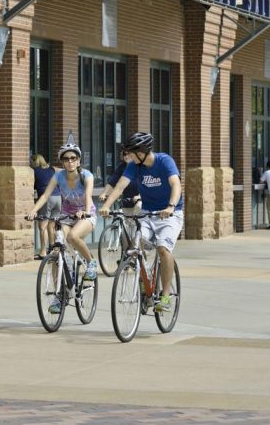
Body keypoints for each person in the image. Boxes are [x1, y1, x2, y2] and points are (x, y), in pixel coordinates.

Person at [98, 131, 183, 313]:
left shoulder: (164, 161)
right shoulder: (134, 166)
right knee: (135, 246)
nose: (127, 156)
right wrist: (106, 205)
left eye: (130, 152)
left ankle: (165, 295)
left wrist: (170, 206)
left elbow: (176, 184)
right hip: (147, 213)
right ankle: (145, 282)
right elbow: (120, 186)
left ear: (142, 152)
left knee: (162, 248)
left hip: (170, 214)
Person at [30, 134, 99, 312]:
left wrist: (84, 211)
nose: (69, 162)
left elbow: (89, 197)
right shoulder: (58, 176)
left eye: (73, 158)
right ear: (62, 162)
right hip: (66, 215)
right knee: (56, 253)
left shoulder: (86, 176)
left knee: (74, 237)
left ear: (78, 160)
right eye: (66, 159)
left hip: (86, 215)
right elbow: (45, 195)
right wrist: (34, 210)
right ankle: (59, 295)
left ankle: (91, 263)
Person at [30, 154, 58, 260]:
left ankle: (43, 252)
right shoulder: (51, 170)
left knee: (42, 227)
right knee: (52, 225)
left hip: (47, 199)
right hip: (58, 197)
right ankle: (53, 250)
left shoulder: (35, 171)